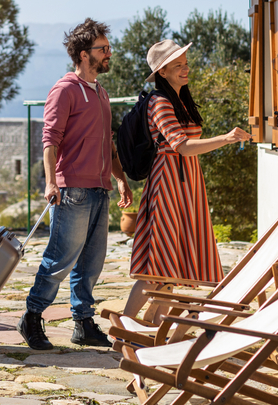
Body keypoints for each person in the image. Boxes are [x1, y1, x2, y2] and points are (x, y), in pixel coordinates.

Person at [19, 18, 133, 351]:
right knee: (60, 257)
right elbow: (49, 139)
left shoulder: (101, 93)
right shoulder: (65, 89)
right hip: (71, 191)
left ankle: (82, 323)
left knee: (91, 261)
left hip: (99, 190)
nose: (108, 53)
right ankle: (31, 316)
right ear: (85, 55)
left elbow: (107, 144)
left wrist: (120, 180)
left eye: (108, 48)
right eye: (103, 49)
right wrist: (51, 183)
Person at [124, 39, 251, 317]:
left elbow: (187, 146)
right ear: (162, 72)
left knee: (172, 263)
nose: (185, 69)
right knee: (158, 263)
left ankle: (153, 327)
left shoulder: (180, 100)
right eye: (177, 65)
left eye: (185, 63)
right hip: (168, 183)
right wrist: (227, 138)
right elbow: (180, 146)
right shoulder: (159, 102)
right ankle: (124, 326)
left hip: (186, 182)